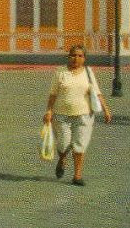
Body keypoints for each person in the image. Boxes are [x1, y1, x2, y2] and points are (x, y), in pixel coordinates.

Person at [43, 44, 112, 186]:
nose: (76, 58)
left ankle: (77, 175)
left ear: (84, 59)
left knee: (80, 145)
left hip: (84, 114)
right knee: (63, 144)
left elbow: (97, 92)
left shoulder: (88, 72)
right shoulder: (60, 72)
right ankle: (62, 159)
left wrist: (106, 109)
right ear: (69, 57)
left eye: (80, 56)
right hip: (61, 115)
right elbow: (53, 94)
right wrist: (49, 111)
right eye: (73, 55)